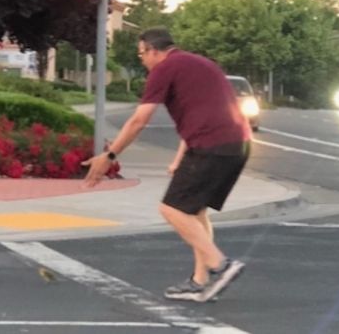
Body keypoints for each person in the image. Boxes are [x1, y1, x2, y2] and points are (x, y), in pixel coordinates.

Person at [82, 27, 250, 303]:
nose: (142, 60)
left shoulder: (165, 68)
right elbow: (206, 112)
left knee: (171, 208)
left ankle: (221, 265)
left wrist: (109, 155)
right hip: (236, 145)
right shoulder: (201, 63)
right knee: (194, 212)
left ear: (152, 50)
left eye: (141, 54)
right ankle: (200, 282)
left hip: (212, 145)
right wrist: (180, 157)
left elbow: (139, 120)